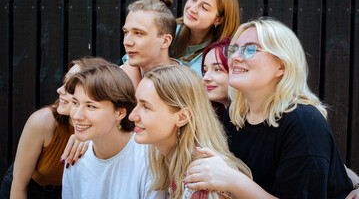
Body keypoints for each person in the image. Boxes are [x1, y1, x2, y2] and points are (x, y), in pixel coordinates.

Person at [184, 17, 354, 198]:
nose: (234, 57)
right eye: (234, 50)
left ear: (281, 65)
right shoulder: (236, 115)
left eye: (250, 49)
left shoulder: (304, 123)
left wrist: (233, 180)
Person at [129, 64, 252, 199]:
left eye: (146, 107)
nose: (132, 116)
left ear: (182, 117)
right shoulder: (170, 161)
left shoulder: (203, 178)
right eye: (136, 104)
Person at [0, 57, 109, 199]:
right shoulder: (42, 122)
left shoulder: (104, 128)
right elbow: (18, 186)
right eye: (64, 82)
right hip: (29, 190)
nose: (60, 90)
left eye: (70, 87)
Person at [62, 64, 165, 199]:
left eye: (90, 106)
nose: (76, 116)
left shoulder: (148, 157)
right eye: (75, 103)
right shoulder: (75, 155)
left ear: (120, 113)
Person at [170, 0, 239, 75]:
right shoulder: (169, 30)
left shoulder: (217, 54)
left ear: (219, 20)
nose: (192, 9)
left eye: (204, 7)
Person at [121, 0, 180, 87]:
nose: (127, 42)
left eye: (138, 33)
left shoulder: (188, 83)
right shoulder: (113, 80)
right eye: (126, 32)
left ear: (165, 41)